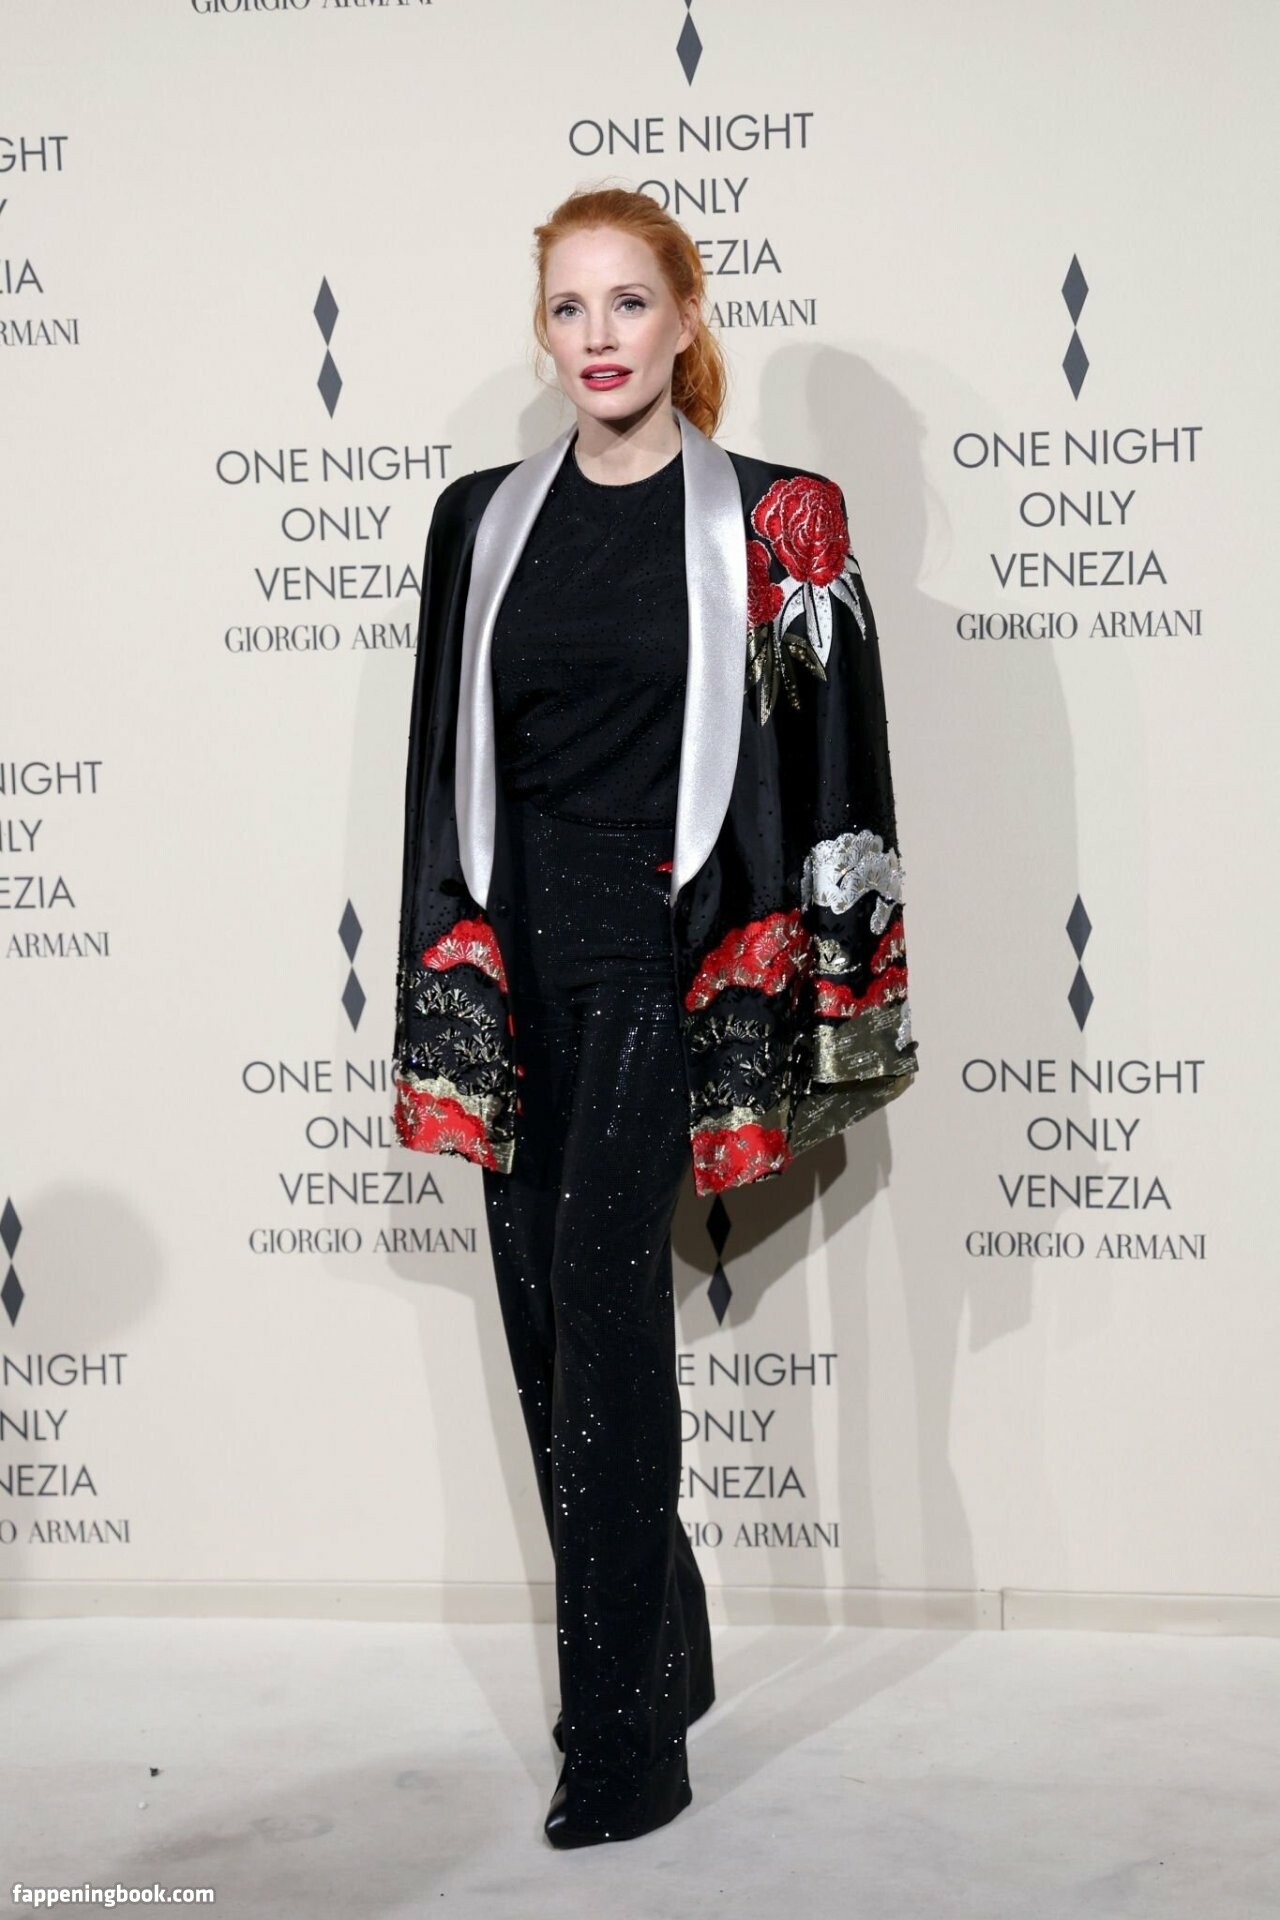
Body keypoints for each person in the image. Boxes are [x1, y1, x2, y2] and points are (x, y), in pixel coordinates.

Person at [391, 186, 920, 1848]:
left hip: (665, 958)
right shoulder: (477, 521)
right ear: (542, 332)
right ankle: (667, 1640)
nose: (599, 336)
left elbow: (838, 765)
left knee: (609, 1322)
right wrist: (447, 967)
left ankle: (619, 1739)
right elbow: (440, 768)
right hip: (516, 954)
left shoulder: (777, 518)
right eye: (569, 307)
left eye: (630, 302)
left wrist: (821, 1004)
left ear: (687, 318)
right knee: (546, 1322)